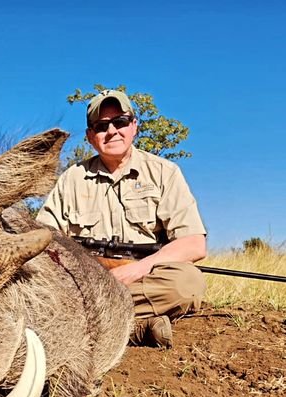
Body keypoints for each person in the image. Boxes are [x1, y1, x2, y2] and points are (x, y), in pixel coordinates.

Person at [37, 89, 207, 348]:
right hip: (83, 280)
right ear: (90, 136)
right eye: (102, 126)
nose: (112, 131)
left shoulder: (164, 172)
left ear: (134, 125)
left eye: (120, 122)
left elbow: (194, 243)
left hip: (141, 278)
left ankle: (83, 324)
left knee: (188, 284)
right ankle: (134, 329)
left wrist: (136, 269)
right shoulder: (71, 178)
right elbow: (43, 241)